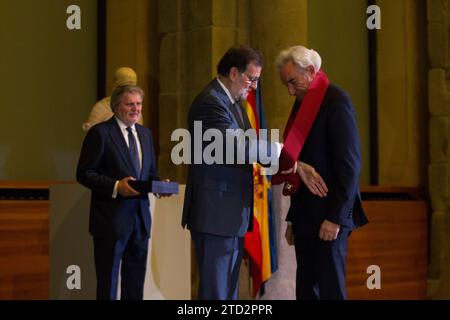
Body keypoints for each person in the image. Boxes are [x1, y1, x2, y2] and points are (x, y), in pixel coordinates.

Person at [181, 45, 282, 300]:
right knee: (217, 293)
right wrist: (280, 150)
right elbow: (238, 145)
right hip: (215, 211)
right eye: (252, 79)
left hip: (230, 212)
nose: (254, 87)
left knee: (229, 292)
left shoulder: (233, 102)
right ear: (234, 73)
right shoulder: (210, 102)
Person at [275, 45, 369, 300]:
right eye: (286, 85)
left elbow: (350, 166)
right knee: (306, 290)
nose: (290, 91)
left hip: (330, 216)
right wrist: (294, 219)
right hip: (306, 216)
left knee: (330, 290)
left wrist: (336, 218)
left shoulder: (337, 101)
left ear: (311, 71)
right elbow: (297, 163)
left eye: (293, 82)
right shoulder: (302, 104)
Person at [76, 85, 166, 300]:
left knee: (135, 282)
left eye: (138, 104)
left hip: (141, 220)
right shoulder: (100, 133)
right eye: (130, 104)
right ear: (116, 107)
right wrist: (117, 186)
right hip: (111, 221)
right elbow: (84, 173)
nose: (136, 109)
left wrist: (160, 184)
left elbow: (150, 172)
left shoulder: (145, 134)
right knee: (108, 284)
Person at [82, 67, 143, 131]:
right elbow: (92, 133)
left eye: (132, 87)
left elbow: (138, 133)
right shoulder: (101, 107)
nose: (129, 92)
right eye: (124, 87)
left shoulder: (136, 109)